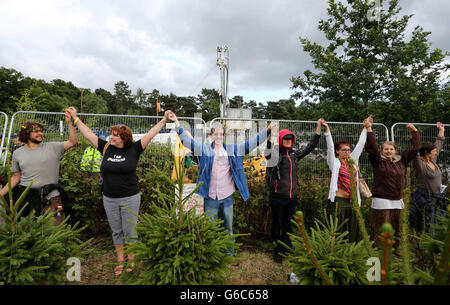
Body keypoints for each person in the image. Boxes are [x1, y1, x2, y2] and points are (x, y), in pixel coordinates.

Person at [66, 106, 172, 276]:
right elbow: (88, 134)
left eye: (115, 135)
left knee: (130, 231)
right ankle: (120, 261)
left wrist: (165, 119)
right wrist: (76, 119)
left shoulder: (134, 149)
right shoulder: (106, 148)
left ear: (123, 137)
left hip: (130, 198)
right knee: (116, 230)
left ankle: (132, 260)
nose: (111, 137)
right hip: (109, 198)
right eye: (111, 134)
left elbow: (151, 134)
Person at [168, 112, 274, 242]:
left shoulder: (234, 149)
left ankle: (229, 253)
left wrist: (267, 130)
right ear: (211, 136)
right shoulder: (204, 150)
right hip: (210, 196)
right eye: (215, 134)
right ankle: (212, 254)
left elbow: (251, 143)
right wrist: (177, 122)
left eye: (220, 134)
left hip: (227, 196)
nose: (218, 136)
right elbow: (187, 142)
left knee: (228, 229)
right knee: (210, 228)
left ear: (224, 136)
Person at [0, 111, 78, 225]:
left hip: (51, 198)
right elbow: (16, 177)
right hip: (26, 199)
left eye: (41, 131)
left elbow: (73, 141)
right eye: (36, 131)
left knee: (56, 229)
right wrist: (1, 193)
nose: (40, 133)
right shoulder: (17, 153)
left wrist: (70, 123)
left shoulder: (53, 147)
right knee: (26, 230)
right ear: (26, 134)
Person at [265, 119, 326, 263]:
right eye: (285, 138)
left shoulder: (294, 155)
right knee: (277, 224)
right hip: (278, 197)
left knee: (288, 223)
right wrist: (270, 133)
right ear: (280, 139)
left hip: (292, 197)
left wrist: (318, 128)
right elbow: (267, 151)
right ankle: (278, 251)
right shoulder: (275, 155)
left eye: (290, 139)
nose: (288, 140)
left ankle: (287, 247)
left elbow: (310, 147)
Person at [365, 117, 420, 252]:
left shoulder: (401, 161)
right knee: (381, 225)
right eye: (385, 149)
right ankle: (379, 249)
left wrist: (414, 132)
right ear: (382, 151)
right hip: (381, 199)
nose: (388, 151)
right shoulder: (378, 161)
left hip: (396, 199)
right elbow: (372, 148)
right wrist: (369, 129)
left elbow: (415, 148)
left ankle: (396, 248)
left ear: (395, 150)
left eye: (391, 149)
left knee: (396, 225)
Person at [323, 116, 371, 242]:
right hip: (339, 201)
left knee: (354, 229)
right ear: (338, 151)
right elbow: (330, 148)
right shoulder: (334, 163)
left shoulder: (352, 162)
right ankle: (336, 251)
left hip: (353, 201)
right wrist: (327, 131)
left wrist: (365, 128)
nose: (347, 152)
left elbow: (360, 145)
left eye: (348, 150)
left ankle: (352, 252)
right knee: (337, 229)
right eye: (343, 150)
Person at [410, 122, 446, 232]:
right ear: (426, 152)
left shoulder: (432, 161)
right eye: (433, 152)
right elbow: (415, 149)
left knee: (437, 222)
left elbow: (438, 145)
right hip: (426, 198)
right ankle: (423, 243)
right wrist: (413, 133)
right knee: (426, 224)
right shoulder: (420, 164)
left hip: (437, 197)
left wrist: (441, 130)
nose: (436, 153)